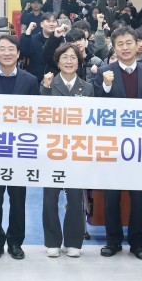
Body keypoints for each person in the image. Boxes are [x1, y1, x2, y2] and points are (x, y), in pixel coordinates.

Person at [93, 27, 142, 260]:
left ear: (138, 44)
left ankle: (137, 243)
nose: (125, 47)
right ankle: (112, 241)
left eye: (129, 43)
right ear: (114, 47)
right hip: (113, 144)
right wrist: (106, 86)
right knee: (112, 196)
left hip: (140, 145)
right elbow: (96, 107)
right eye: (119, 44)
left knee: (139, 197)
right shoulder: (105, 72)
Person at [0, 35, 38, 260]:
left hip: (20, 151)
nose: (7, 53)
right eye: (2, 49)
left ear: (18, 53)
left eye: (11, 49)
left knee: (18, 200)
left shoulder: (30, 80)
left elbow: (38, 115)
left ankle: (15, 243)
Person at [39, 43, 92, 258]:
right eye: (64, 57)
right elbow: (40, 114)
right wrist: (45, 87)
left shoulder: (87, 87)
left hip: (77, 149)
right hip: (52, 149)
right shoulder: (48, 84)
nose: (69, 61)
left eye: (73, 57)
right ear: (57, 62)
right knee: (50, 197)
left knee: (76, 197)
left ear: (79, 62)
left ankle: (73, 241)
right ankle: (52, 241)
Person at [19, 14, 58, 81]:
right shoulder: (33, 39)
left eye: (54, 21)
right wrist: (28, 31)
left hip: (55, 78)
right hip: (35, 77)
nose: (51, 24)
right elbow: (23, 52)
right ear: (41, 24)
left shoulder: (60, 40)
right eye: (48, 21)